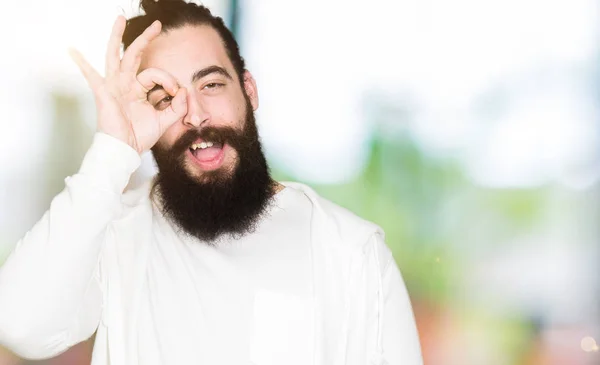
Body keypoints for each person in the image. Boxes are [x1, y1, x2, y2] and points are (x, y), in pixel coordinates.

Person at [0, 1, 423, 364]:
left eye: (212, 84)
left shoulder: (353, 254)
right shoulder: (114, 235)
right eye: (165, 97)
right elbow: (21, 325)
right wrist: (113, 150)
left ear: (249, 91)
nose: (195, 115)